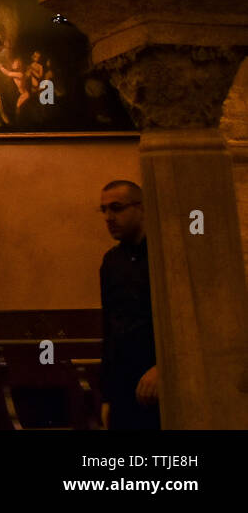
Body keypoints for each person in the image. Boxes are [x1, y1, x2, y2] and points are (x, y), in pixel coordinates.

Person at [98, 180, 160, 430]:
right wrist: (107, 396)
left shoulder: (161, 253)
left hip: (158, 379)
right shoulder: (112, 261)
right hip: (123, 385)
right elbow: (109, 327)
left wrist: (163, 367)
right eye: (103, 210)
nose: (109, 217)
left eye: (117, 208)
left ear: (142, 208)